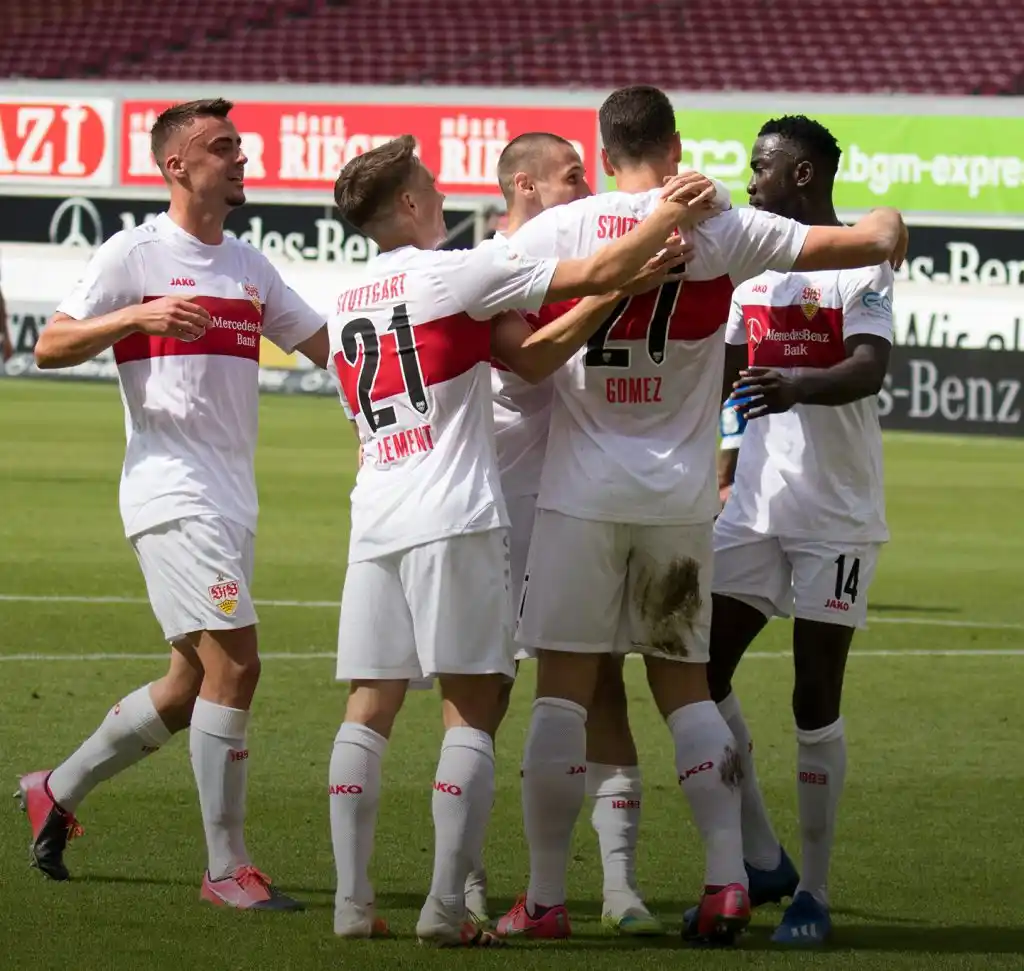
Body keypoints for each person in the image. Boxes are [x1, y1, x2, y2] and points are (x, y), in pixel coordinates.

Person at [494, 85, 907, 945]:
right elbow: (872, 237)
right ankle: (729, 880)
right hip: (684, 503)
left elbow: (496, 326)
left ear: (604, 156)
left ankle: (544, 897)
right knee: (687, 691)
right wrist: (888, 219)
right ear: (677, 146)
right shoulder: (726, 231)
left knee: (561, 698)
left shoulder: (561, 231)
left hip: (582, 495)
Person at [324, 134, 715, 947]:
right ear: (407, 201)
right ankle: (446, 904)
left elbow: (530, 356)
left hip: (376, 516)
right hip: (463, 511)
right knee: (476, 710)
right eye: (427, 183)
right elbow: (597, 273)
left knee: (369, 708)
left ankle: (352, 902)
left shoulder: (347, 297)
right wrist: (667, 214)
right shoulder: (456, 270)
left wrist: (605, 294)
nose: (438, 191)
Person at [17, 98, 331, 911]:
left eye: (240, 146)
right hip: (169, 493)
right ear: (177, 166)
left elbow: (327, 345)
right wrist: (139, 314)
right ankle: (226, 867)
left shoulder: (251, 267)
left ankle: (56, 786)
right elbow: (49, 344)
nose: (241, 159)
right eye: (222, 148)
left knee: (191, 682)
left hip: (232, 500)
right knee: (239, 664)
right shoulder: (135, 252)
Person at [468, 130, 684, 936]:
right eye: (570, 177)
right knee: (483, 690)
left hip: (575, 501)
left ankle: (621, 887)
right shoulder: (489, 270)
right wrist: (620, 282)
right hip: (497, 506)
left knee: (600, 685)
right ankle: (468, 875)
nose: (586, 187)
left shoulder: (580, 252)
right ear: (524, 186)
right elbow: (530, 361)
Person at [707, 115, 896, 947]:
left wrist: (796, 383)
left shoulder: (859, 259)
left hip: (835, 513)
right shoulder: (752, 273)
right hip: (752, 508)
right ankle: (760, 855)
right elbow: (721, 378)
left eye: (763, 167)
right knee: (695, 667)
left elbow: (868, 366)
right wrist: (717, 463)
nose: (751, 180)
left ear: (805, 174)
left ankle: (812, 891)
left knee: (813, 694)